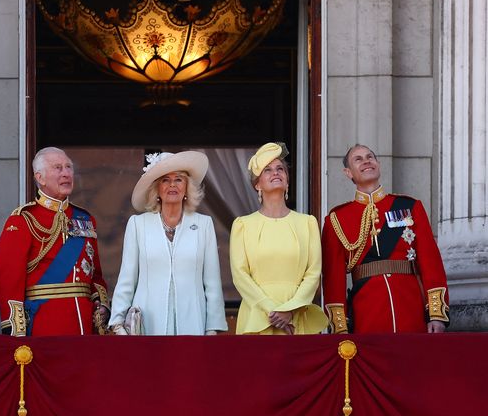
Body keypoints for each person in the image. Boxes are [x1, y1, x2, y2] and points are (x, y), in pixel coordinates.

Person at [322, 144, 449, 333]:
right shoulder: (337, 218)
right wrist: (340, 326)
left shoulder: (409, 206)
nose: (366, 161)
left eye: (370, 157)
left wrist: (436, 314)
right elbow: (333, 279)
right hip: (368, 312)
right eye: (358, 159)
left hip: (410, 307)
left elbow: (430, 262)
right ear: (348, 172)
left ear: (378, 164)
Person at [108, 151, 227, 335]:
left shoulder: (204, 224)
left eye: (178, 179)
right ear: (157, 189)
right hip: (147, 328)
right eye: (165, 180)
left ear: (187, 187)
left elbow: (212, 283)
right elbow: (127, 279)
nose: (172, 185)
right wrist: (117, 322)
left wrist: (212, 329)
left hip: (193, 325)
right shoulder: (138, 224)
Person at [0, 147, 109, 336]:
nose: (66, 173)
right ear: (40, 178)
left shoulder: (85, 219)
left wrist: (101, 305)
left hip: (84, 324)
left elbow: (95, 275)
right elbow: (9, 279)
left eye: (68, 167)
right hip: (44, 323)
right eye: (58, 168)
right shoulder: (22, 220)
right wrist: (15, 329)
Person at [229, 142, 328, 335]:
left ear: (287, 180)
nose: (275, 172)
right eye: (267, 170)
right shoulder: (243, 225)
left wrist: (290, 309)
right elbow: (240, 275)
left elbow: (313, 272)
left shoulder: (307, 222)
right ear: (257, 184)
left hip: (297, 316)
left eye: (280, 169)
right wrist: (272, 310)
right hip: (257, 315)